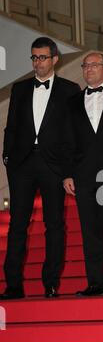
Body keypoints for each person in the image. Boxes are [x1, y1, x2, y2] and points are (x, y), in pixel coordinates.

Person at [0, 37, 80, 300]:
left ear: (55, 59)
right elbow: (11, 126)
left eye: (42, 57)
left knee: (54, 224)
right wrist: (8, 157)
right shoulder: (20, 89)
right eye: (34, 57)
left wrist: (68, 168)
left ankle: (51, 283)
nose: (37, 62)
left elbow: (72, 133)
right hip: (22, 164)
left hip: (53, 165)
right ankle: (12, 284)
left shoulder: (70, 89)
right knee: (17, 225)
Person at [62, 52, 103, 296]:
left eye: (94, 65)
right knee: (90, 231)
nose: (89, 69)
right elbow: (67, 141)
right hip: (84, 175)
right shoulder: (72, 103)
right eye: (85, 65)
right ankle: (95, 282)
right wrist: (67, 174)